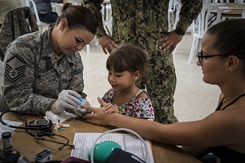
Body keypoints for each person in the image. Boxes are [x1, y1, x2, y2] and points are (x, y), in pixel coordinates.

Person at [83, 19, 245, 162]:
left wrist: (112, 119)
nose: (198, 62)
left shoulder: (238, 117)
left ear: (231, 63)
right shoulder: (230, 93)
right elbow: (210, 140)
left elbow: (163, 133)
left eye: (203, 56)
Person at [83, 0, 203, 124]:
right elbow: (89, 2)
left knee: (163, 113)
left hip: (157, 52)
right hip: (124, 56)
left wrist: (180, 30)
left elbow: (195, 2)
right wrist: (100, 33)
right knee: (122, 110)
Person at [0, 5, 97, 117]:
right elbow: (15, 96)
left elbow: (76, 93)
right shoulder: (22, 48)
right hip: (16, 120)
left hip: (53, 123)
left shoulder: (74, 58)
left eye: (85, 44)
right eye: (78, 40)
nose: (80, 48)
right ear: (63, 25)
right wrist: (53, 105)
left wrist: (79, 106)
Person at [101, 43, 154, 120]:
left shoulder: (141, 99)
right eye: (110, 73)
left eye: (118, 75)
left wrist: (118, 113)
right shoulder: (110, 95)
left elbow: (145, 127)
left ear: (136, 75)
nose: (111, 78)